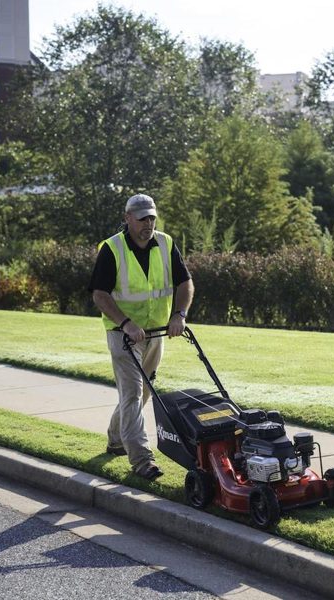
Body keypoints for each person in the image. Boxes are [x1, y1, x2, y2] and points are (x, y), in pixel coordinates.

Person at [89, 193, 194, 481]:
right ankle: (142, 460)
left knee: (143, 391)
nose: (148, 223)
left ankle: (114, 439)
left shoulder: (165, 243)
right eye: (142, 218)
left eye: (152, 217)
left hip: (156, 332)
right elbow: (99, 294)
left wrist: (179, 315)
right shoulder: (112, 249)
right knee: (133, 391)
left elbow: (185, 282)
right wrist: (125, 323)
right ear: (128, 218)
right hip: (123, 333)